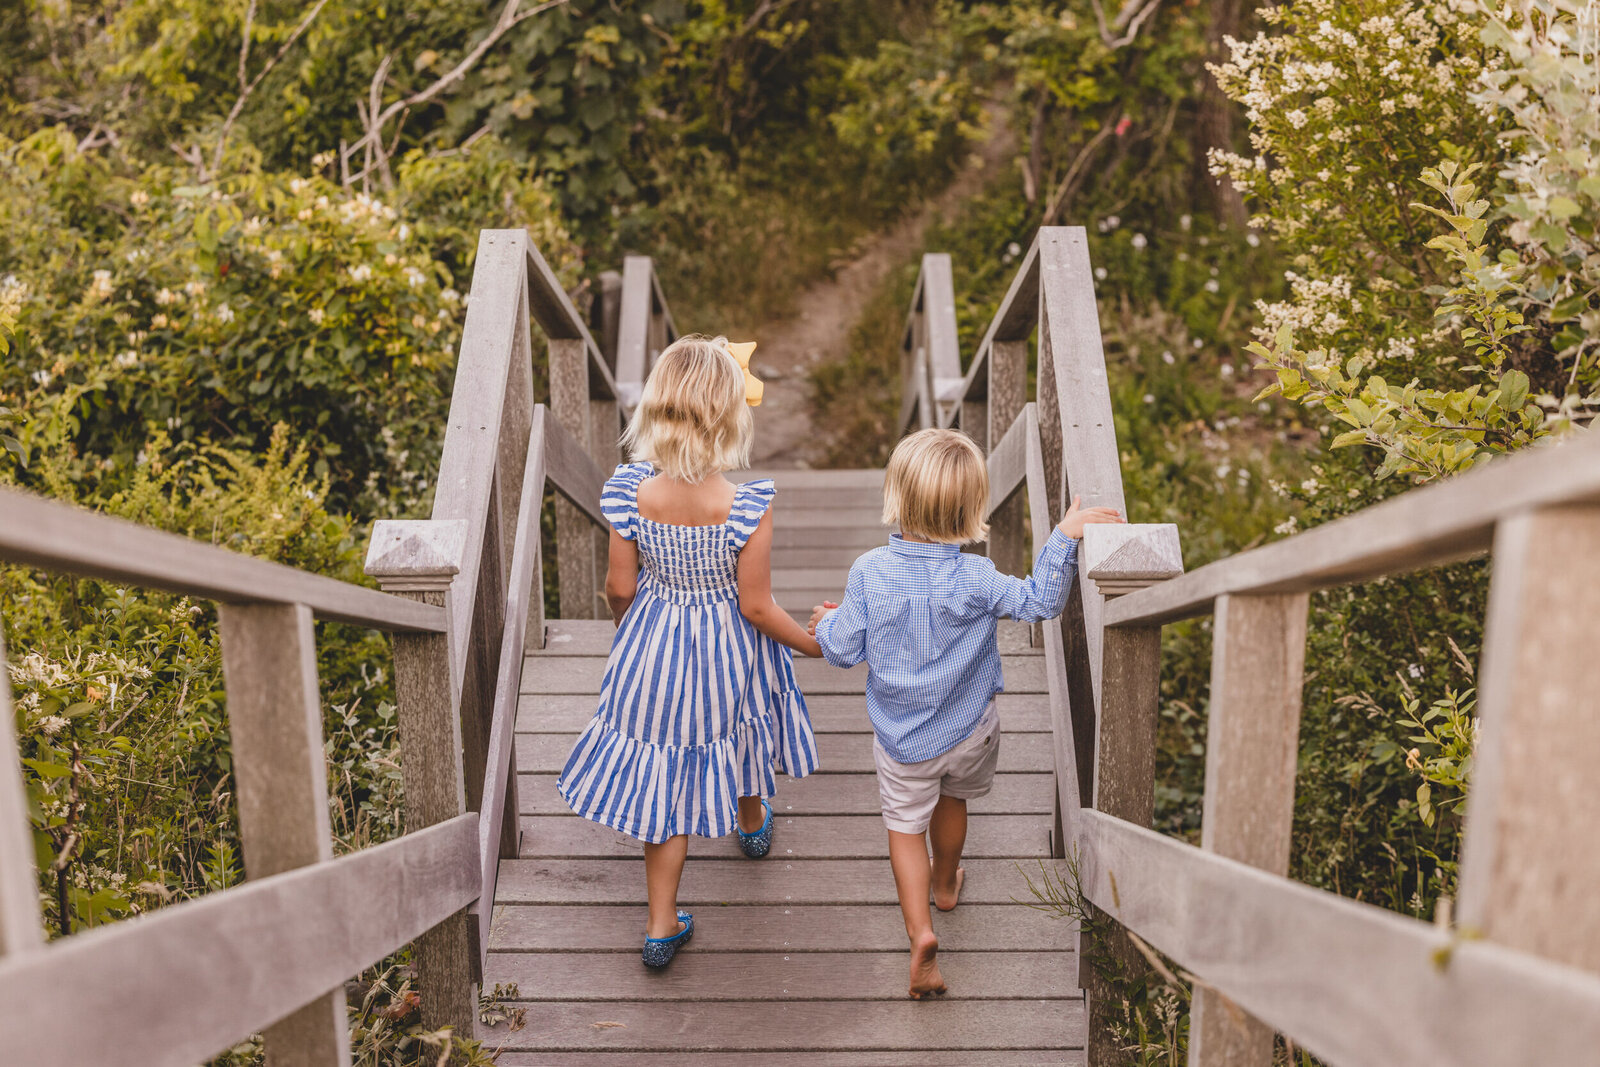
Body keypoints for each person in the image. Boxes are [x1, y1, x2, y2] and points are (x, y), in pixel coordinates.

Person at [808, 427, 1123, 998]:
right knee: (953, 799)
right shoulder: (976, 577)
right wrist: (1063, 536)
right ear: (969, 508)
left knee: (905, 827)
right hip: (970, 729)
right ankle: (948, 882)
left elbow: (843, 650)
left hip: (903, 739)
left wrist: (826, 620)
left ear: (897, 498)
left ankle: (921, 933)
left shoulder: (869, 574)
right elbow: (1040, 601)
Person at [557, 335, 822, 969]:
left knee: (665, 782)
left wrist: (635, 632)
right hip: (732, 649)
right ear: (731, 416)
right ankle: (752, 822)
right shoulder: (746, 505)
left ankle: (659, 923)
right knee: (744, 724)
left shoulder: (629, 491)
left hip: (656, 639)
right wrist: (815, 644)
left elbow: (619, 586)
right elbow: (757, 606)